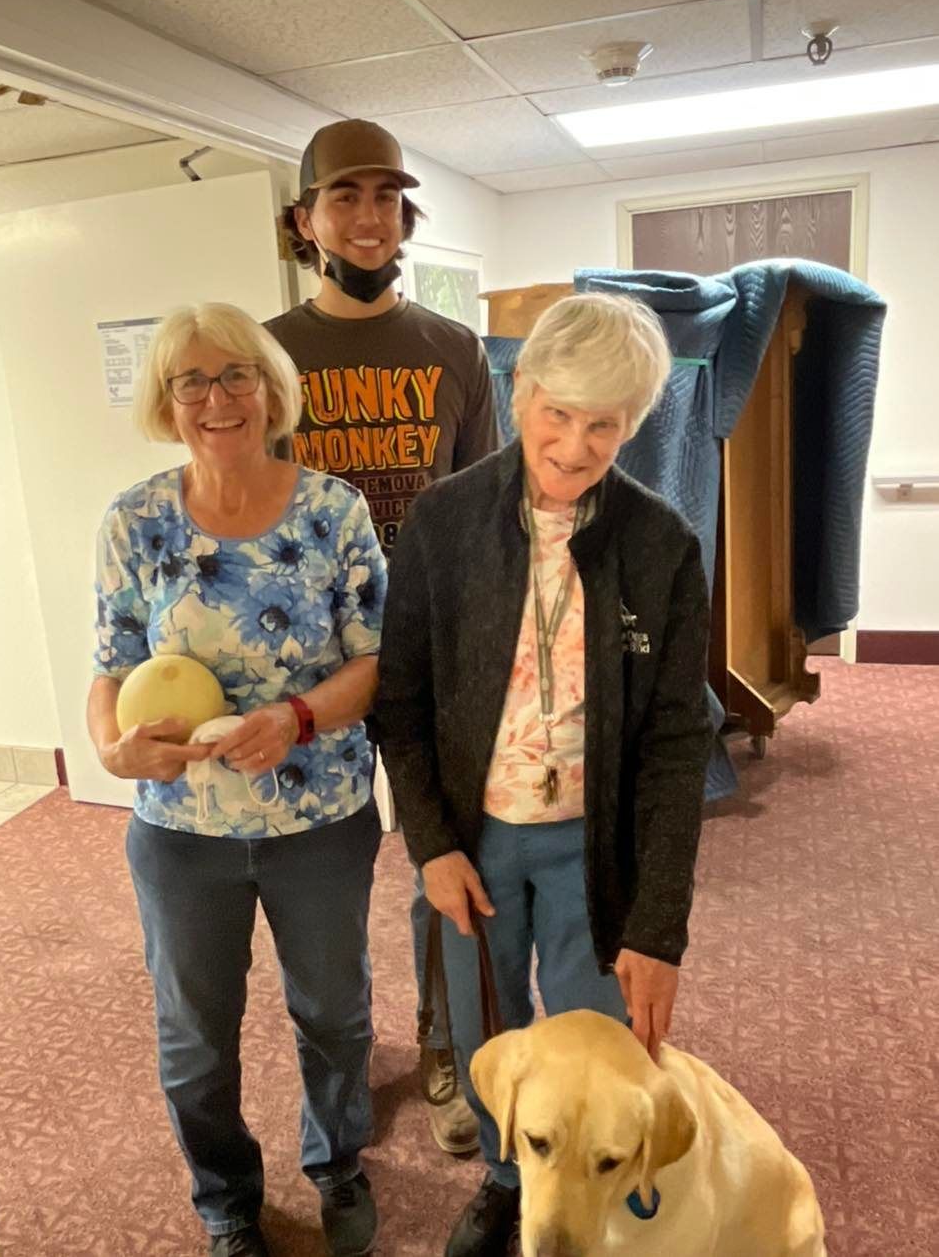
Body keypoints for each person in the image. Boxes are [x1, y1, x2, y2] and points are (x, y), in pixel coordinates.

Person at [376, 292, 713, 1257]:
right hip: (472, 842)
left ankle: (596, 1191)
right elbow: (401, 703)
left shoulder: (661, 544)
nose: (573, 445)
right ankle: (504, 1180)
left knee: (594, 1038)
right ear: (519, 392)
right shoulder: (443, 521)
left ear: (633, 424)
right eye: (556, 412)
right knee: (488, 1033)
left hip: (591, 846)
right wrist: (432, 847)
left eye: (603, 424)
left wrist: (657, 925)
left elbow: (677, 743)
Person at [87, 303, 388, 1257]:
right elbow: (110, 667)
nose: (217, 399)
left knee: (334, 1015)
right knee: (194, 1036)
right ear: (166, 399)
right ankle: (225, 1200)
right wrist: (110, 750)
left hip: (320, 818)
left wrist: (295, 717)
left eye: (236, 375)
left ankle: (337, 1163)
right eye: (192, 381)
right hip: (181, 831)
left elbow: (376, 660)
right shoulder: (134, 521)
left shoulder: (334, 510)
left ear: (270, 388)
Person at [266, 118, 499, 1157]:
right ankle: (343, 1046)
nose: (368, 218)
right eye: (345, 197)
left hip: (435, 641)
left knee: (441, 857)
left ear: (405, 217)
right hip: (311, 654)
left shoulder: (454, 350)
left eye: (386, 199)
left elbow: (488, 509)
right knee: (323, 870)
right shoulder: (268, 352)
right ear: (305, 219)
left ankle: (444, 1042)